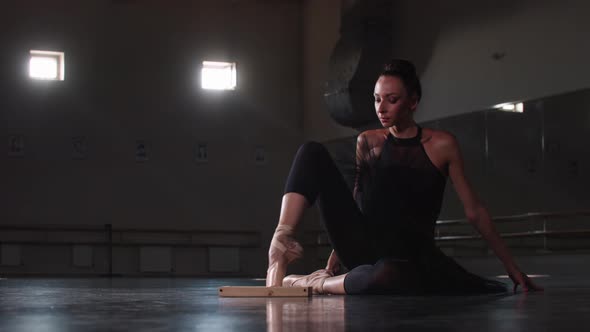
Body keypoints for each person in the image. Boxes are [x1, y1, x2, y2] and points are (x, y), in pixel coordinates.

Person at [266, 59, 543, 295]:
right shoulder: (368, 141)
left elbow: (475, 212)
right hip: (365, 246)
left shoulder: (442, 144)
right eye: (376, 99)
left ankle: (316, 284)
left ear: (413, 101)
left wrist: (511, 267)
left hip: (411, 257)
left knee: (390, 274)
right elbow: (358, 201)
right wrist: (335, 256)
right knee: (311, 152)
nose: (381, 108)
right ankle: (283, 237)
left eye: (392, 100)